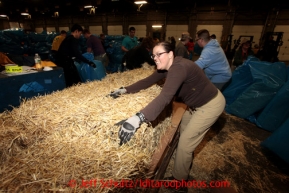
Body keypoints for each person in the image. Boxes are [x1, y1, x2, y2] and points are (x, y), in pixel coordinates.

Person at [110, 41, 225, 192]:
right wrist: (125, 90)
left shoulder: (178, 67)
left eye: (159, 54)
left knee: (185, 143)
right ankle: (184, 163)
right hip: (195, 105)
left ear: (171, 54)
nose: (155, 58)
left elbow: (165, 97)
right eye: (153, 55)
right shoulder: (166, 67)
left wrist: (137, 118)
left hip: (210, 105)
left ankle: (179, 183)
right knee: (184, 132)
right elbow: (147, 81)